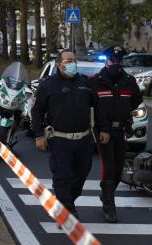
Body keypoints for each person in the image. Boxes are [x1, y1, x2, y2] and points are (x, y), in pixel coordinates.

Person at [31, 50, 102, 220]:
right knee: (62, 176)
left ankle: (65, 201)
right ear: (59, 64)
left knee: (81, 174)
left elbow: (98, 109)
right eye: (69, 60)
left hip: (83, 139)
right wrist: (39, 135)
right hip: (60, 140)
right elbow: (37, 111)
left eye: (74, 60)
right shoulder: (48, 85)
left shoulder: (85, 83)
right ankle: (68, 210)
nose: (73, 64)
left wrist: (103, 129)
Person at [88, 46, 143, 223]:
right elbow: (89, 105)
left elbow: (136, 100)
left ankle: (106, 194)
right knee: (109, 168)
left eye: (119, 61)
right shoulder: (96, 81)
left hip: (121, 130)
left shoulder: (129, 81)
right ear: (106, 61)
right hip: (103, 130)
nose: (116, 65)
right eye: (113, 61)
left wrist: (125, 112)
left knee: (119, 170)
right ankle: (109, 208)